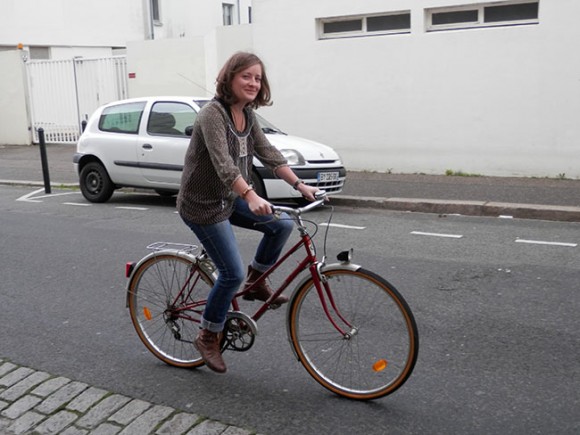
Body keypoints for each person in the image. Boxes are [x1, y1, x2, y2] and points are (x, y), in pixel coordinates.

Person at [177, 52, 320, 373]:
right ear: (229, 78)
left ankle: (257, 282)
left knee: (281, 225)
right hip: (202, 205)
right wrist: (251, 194)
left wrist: (300, 185)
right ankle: (208, 334)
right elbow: (223, 164)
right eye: (246, 76)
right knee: (230, 274)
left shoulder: (249, 116)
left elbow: (268, 153)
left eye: (258, 78)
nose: (253, 83)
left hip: (228, 198)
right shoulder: (212, 115)